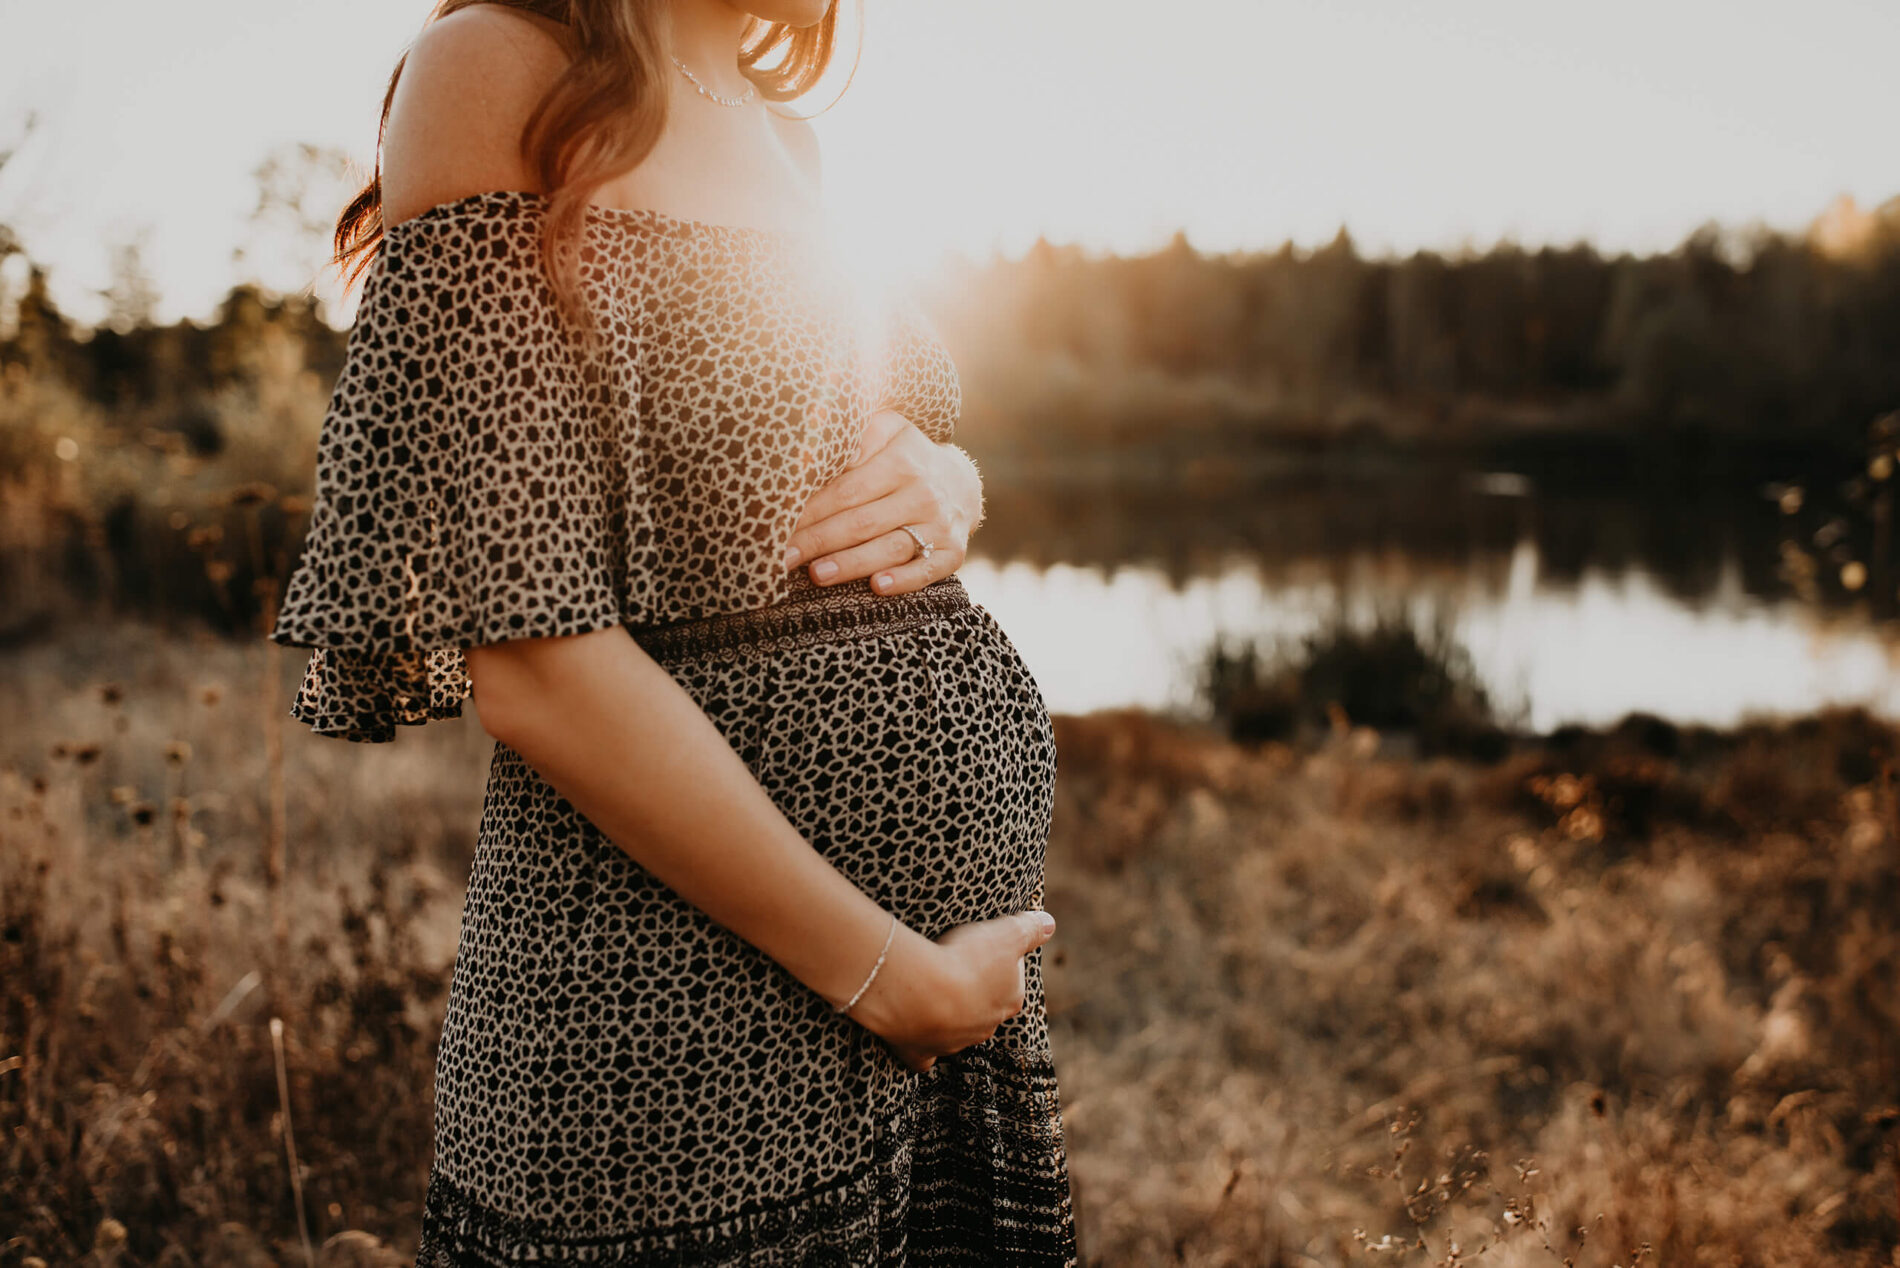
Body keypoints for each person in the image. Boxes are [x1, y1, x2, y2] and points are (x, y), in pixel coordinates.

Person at [266, 0, 1078, 1262]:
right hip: (668, 1048)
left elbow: (840, 458)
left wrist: (949, 483)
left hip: (928, 1036)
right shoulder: (498, 67)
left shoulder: (783, 133)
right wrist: (890, 978)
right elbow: (536, 660)